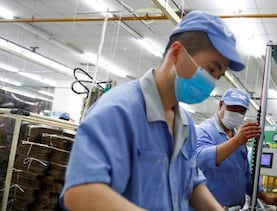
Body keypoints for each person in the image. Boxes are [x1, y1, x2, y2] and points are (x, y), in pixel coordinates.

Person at [59, 10, 246, 211]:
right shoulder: (118, 111)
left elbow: (192, 183)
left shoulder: (186, 125)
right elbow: (80, 194)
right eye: (211, 70)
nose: (212, 82)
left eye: (218, 75)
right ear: (176, 53)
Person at [196, 88, 277, 209]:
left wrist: (265, 197)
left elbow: (244, 176)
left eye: (242, 111)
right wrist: (236, 141)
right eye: (233, 108)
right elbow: (200, 160)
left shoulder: (239, 140)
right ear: (220, 105)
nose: (237, 113)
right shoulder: (205, 130)